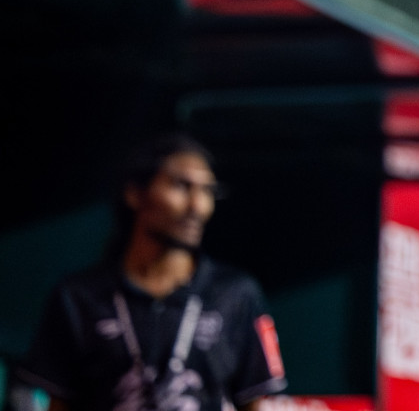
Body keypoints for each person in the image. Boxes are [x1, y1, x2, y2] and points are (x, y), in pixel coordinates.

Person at [14, 135, 287, 411]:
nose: (198, 206)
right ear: (135, 194)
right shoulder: (77, 296)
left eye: (207, 191)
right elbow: (59, 404)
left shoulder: (236, 293)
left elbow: (255, 404)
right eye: (182, 186)